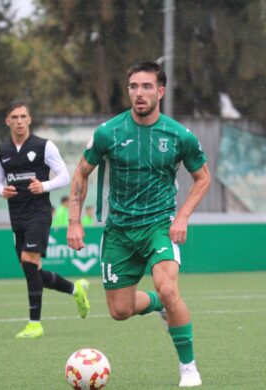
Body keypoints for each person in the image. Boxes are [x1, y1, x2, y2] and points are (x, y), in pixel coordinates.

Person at [67, 62, 211, 387]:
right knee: (120, 311)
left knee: (169, 287)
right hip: (118, 231)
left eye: (146, 86)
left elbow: (202, 178)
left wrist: (183, 216)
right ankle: (159, 305)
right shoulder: (109, 132)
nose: (139, 93)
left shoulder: (179, 136)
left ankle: (188, 368)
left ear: (160, 92)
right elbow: (81, 173)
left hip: (158, 226)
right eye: (133, 86)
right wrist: (75, 221)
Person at [0, 101, 90, 339]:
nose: (19, 121)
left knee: (28, 260)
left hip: (40, 213)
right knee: (32, 269)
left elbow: (65, 176)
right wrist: (0, 190)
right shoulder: (1, 151)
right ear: (8, 121)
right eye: (14, 117)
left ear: (30, 119)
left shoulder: (44, 146)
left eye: (23, 116)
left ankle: (34, 324)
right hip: (16, 216)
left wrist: (43, 185)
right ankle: (74, 289)